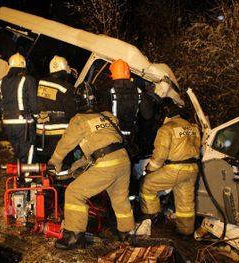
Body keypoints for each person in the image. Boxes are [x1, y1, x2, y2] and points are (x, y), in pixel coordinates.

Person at [48, 81, 135, 250]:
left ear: (78, 101)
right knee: (119, 198)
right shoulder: (108, 115)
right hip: (123, 160)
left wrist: (54, 163)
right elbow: (103, 143)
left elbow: (65, 145)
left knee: (74, 192)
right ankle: (127, 233)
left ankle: (75, 236)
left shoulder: (79, 120)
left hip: (107, 164)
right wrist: (80, 163)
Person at [138, 98, 201, 239]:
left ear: (163, 113)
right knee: (186, 202)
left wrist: (150, 170)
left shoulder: (167, 128)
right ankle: (186, 233)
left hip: (175, 169)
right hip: (192, 169)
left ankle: (150, 217)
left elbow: (160, 154)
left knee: (146, 184)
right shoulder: (193, 127)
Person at [0, 53, 40, 173]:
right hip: (23, 123)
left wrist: (7, 114)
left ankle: (18, 176)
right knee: (29, 150)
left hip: (8, 123)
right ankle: (27, 181)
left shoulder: (1, 82)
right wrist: (35, 116)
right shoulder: (28, 79)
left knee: (18, 151)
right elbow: (34, 104)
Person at [99, 59, 152, 144]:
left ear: (112, 73)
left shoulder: (109, 91)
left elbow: (101, 114)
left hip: (112, 135)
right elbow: (148, 115)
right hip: (130, 137)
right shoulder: (138, 91)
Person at [36, 55, 77, 163]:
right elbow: (72, 112)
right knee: (62, 161)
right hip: (59, 131)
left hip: (42, 130)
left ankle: (47, 178)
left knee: (46, 161)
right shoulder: (67, 88)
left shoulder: (41, 84)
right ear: (65, 71)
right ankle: (61, 179)